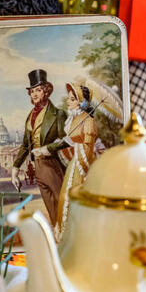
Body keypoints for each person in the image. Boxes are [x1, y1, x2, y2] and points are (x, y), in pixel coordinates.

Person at [12, 69, 67, 227]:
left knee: (62, 205)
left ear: (47, 91)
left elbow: (67, 140)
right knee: (51, 208)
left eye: (38, 90)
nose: (34, 94)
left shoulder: (59, 114)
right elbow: (25, 146)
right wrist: (15, 168)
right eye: (31, 91)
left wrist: (47, 149)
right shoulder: (30, 117)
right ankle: (57, 238)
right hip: (38, 168)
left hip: (54, 166)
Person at [55, 83, 99, 240]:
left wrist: (82, 167)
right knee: (65, 196)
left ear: (81, 103)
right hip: (74, 160)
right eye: (68, 98)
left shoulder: (88, 121)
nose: (68, 101)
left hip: (83, 164)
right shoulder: (74, 119)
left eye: (72, 99)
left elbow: (88, 147)